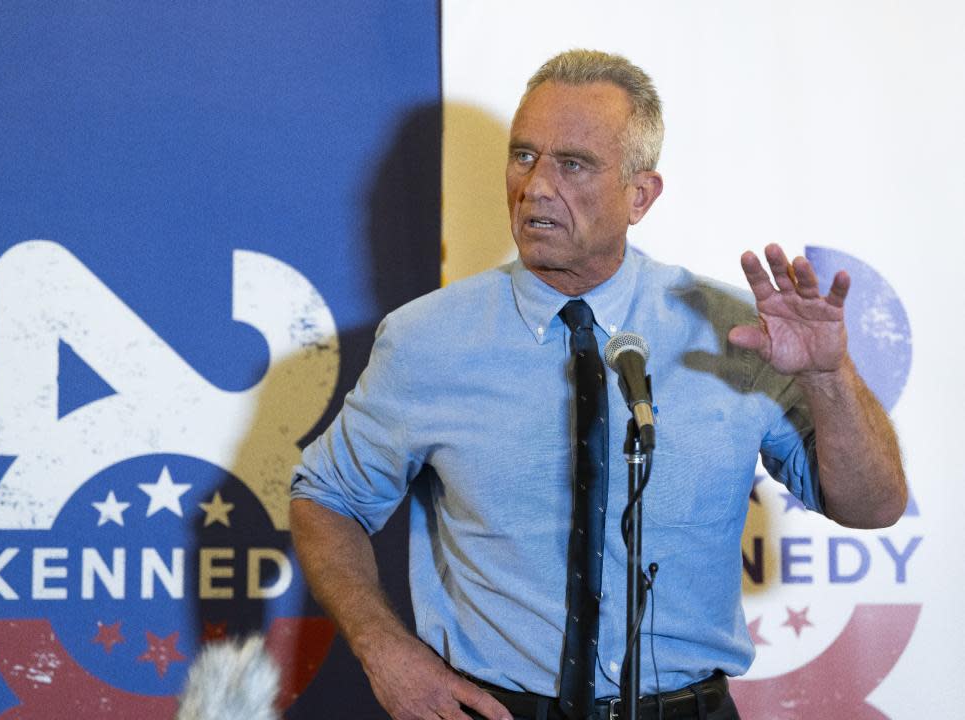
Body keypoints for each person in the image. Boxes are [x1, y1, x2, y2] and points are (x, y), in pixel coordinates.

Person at [288, 49, 906, 720]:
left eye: (573, 164)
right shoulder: (425, 341)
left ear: (640, 195)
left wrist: (827, 375)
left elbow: (872, 506)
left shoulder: (734, 335)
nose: (536, 186)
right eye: (523, 156)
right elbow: (326, 497)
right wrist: (384, 650)